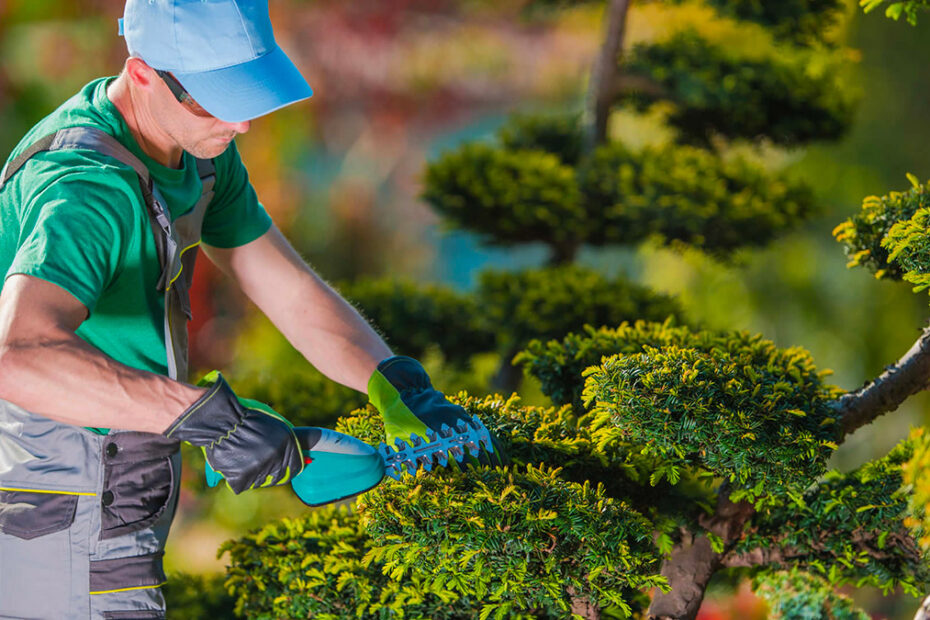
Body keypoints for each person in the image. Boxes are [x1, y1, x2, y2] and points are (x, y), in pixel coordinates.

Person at [0, 1, 501, 618]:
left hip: (126, 465)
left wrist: (391, 380)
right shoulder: (86, 192)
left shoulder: (196, 148)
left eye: (245, 93)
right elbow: (19, 356)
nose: (239, 123)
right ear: (141, 75)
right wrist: (210, 420)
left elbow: (283, 284)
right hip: (57, 490)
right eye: (213, 98)